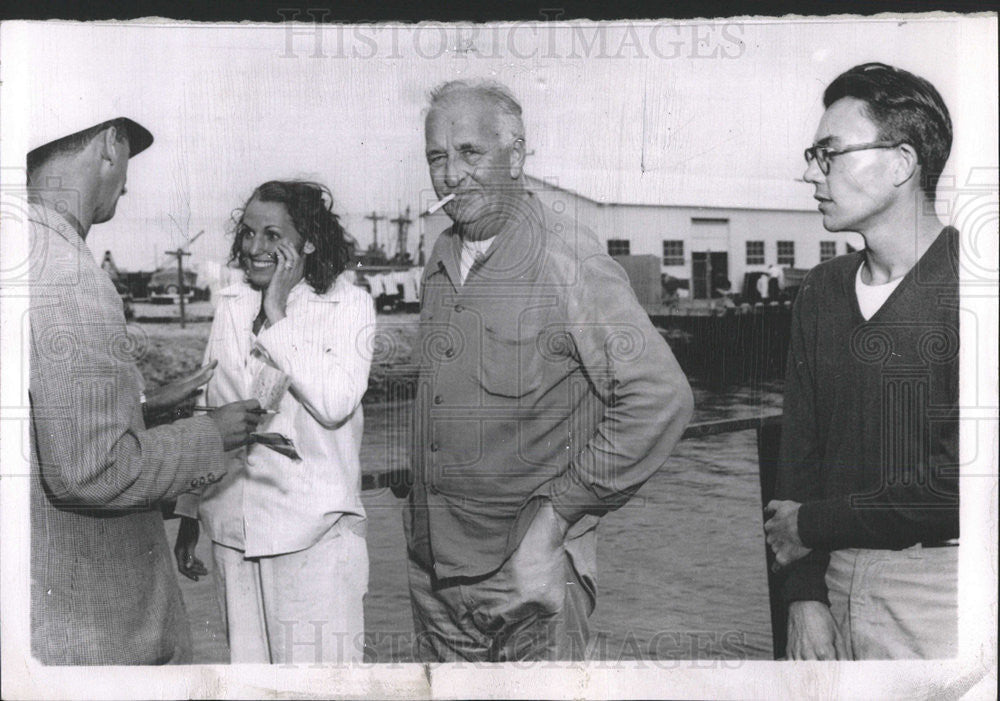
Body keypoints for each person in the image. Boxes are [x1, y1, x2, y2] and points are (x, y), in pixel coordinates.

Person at [403, 80, 694, 662]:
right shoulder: (439, 256)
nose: (451, 174)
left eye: (470, 152)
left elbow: (660, 398)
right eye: (437, 156)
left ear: (517, 153)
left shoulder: (567, 257)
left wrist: (557, 519)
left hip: (529, 574)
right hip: (435, 575)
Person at [27, 116, 263, 665]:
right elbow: (91, 472)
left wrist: (139, 409)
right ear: (111, 144)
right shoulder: (69, 274)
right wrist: (210, 434)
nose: (127, 180)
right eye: (129, 153)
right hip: (94, 632)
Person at [764, 63, 959, 660]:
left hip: (944, 600)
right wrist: (803, 598)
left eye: (829, 153)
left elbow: (964, 487)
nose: (808, 173)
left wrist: (811, 527)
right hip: (830, 585)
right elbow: (800, 455)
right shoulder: (820, 293)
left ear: (901, 163)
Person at [173, 181, 376, 664]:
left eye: (271, 235)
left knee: (323, 688)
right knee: (251, 685)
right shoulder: (231, 303)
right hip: (232, 528)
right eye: (247, 234)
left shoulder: (348, 306)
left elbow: (335, 401)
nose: (254, 248)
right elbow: (208, 404)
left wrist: (278, 313)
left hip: (313, 535)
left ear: (307, 241)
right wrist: (187, 513)